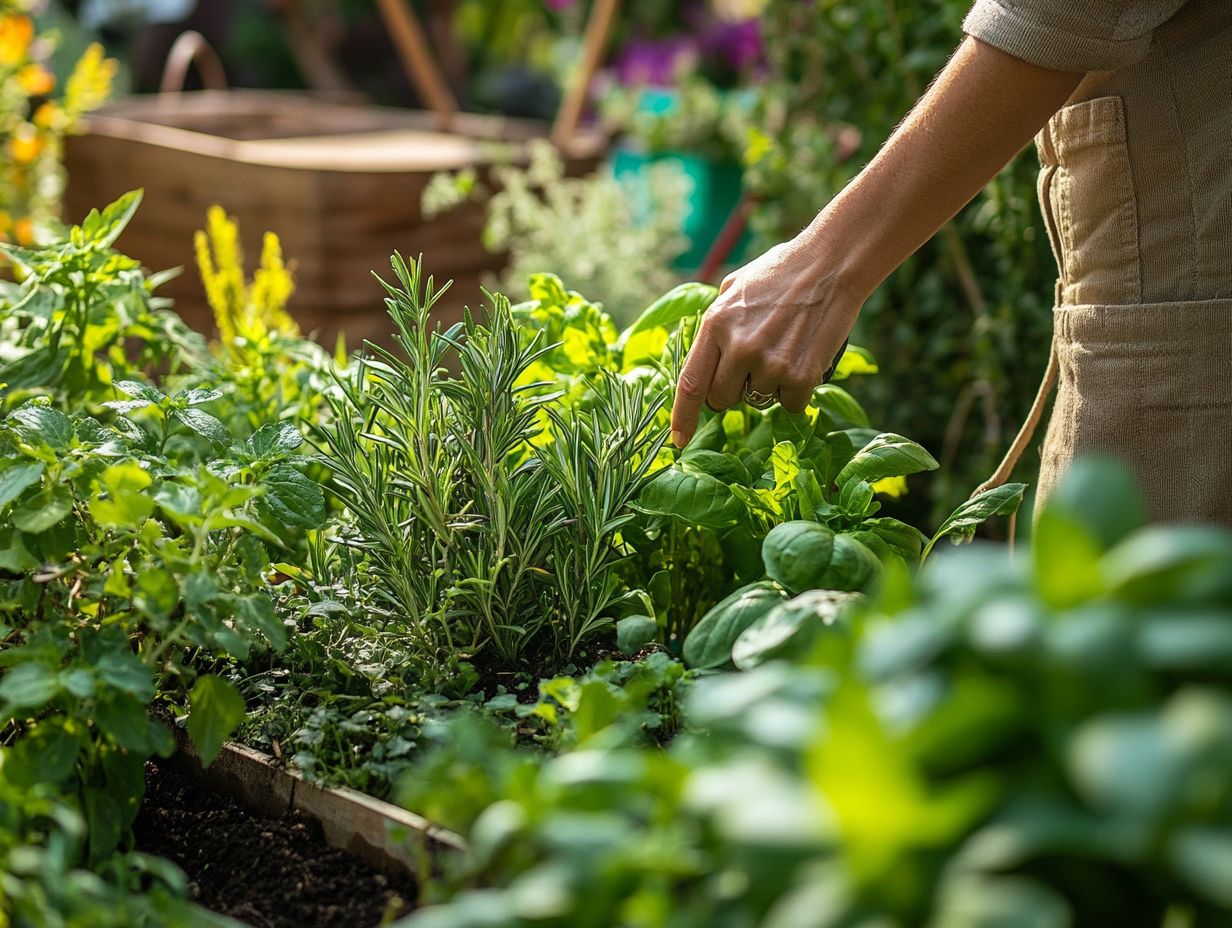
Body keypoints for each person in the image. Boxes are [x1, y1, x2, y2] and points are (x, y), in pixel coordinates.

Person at [670, 0, 1231, 524]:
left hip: (1191, 289)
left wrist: (824, 267)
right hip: (1170, 262)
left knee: (1134, 599)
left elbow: (1058, 10)